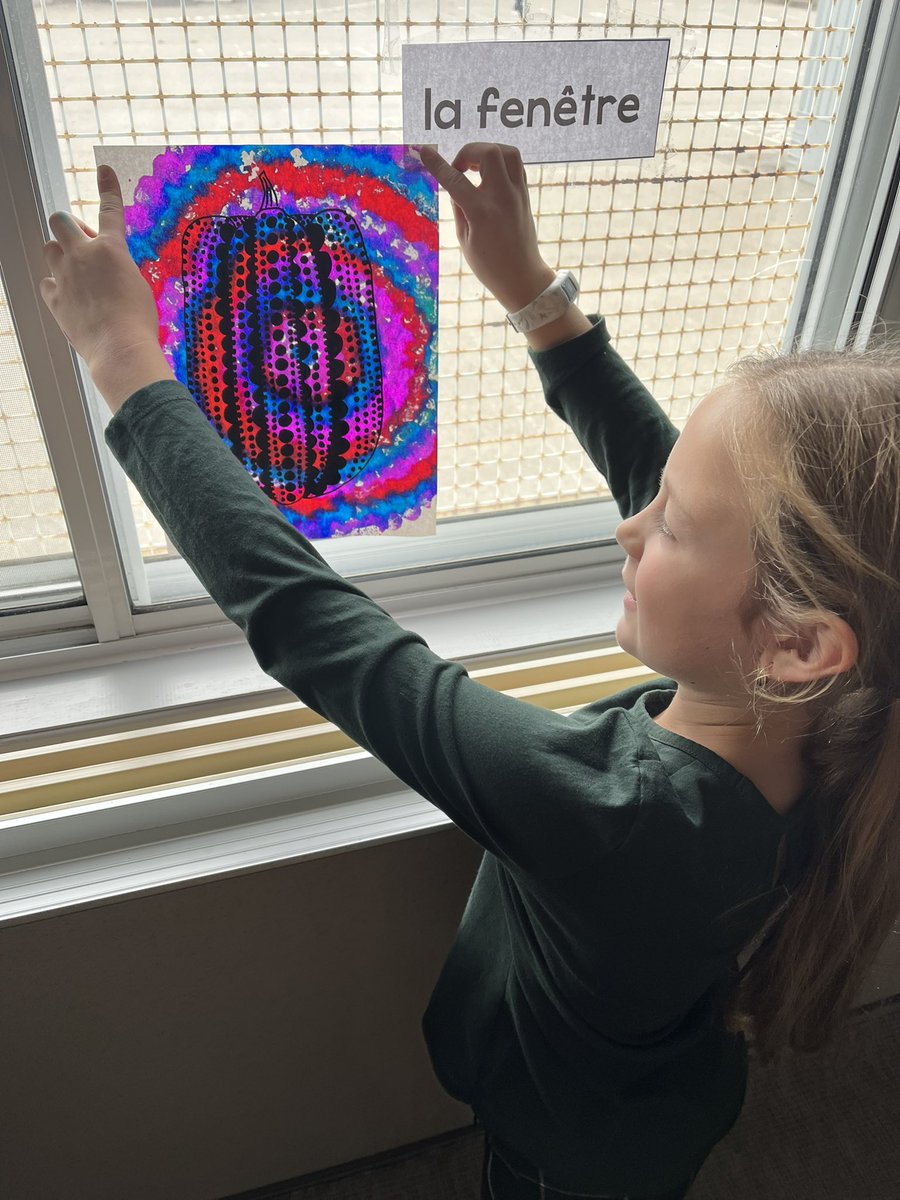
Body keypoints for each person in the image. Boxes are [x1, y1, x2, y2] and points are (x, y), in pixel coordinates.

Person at [39, 145, 899, 1200]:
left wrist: (124, 358)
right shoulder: (844, 723)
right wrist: (538, 300)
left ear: (798, 645)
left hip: (562, 1155)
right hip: (663, 1092)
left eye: (667, 524)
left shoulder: (607, 810)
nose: (631, 526)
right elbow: (679, 480)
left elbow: (317, 627)